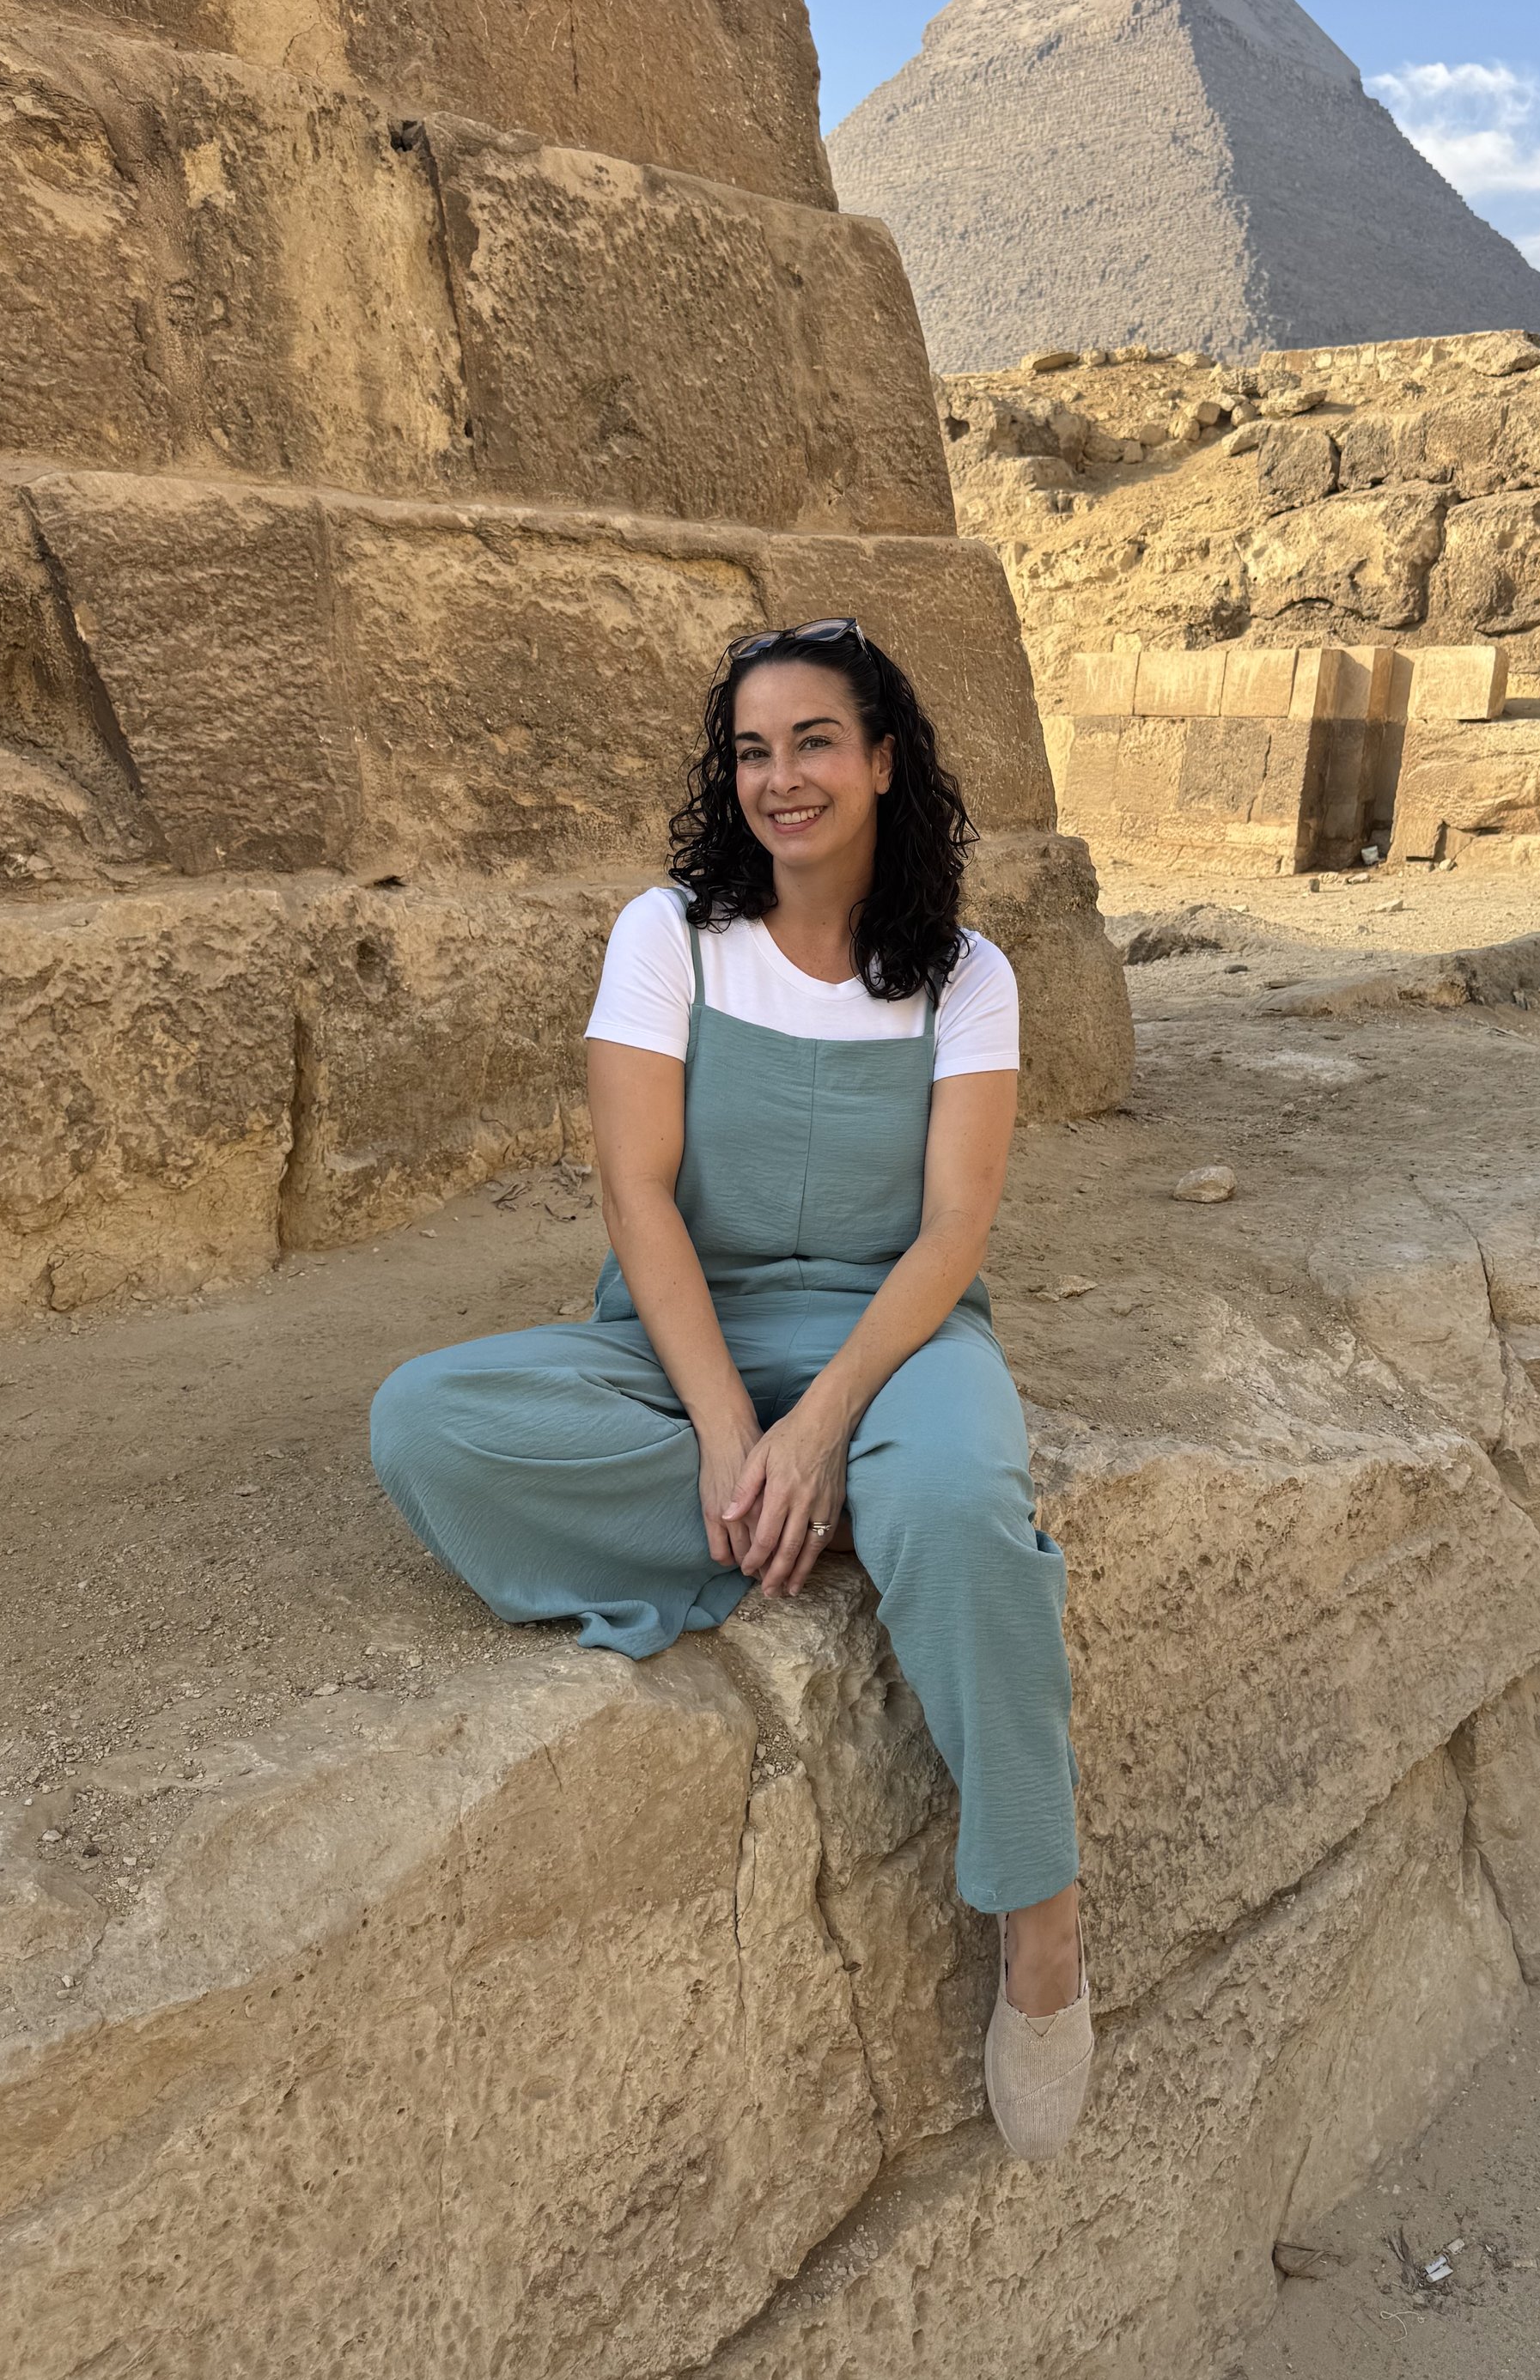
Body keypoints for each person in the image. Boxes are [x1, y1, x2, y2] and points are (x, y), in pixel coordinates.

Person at [369, 619, 1090, 2160]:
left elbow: (956, 1225)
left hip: (892, 1341)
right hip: (683, 1331)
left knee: (958, 1492)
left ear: (884, 761)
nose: (783, 779)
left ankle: (1042, 1923)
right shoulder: (669, 935)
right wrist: (726, 1433)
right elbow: (636, 1195)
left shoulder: (967, 976)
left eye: (816, 742)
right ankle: (826, 1525)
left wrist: (823, 1418)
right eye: (753, 751)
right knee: (428, 1421)